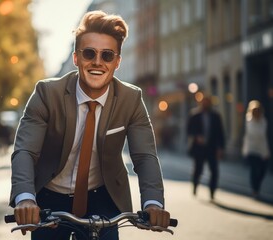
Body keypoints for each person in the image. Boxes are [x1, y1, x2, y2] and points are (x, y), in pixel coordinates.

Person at [9, 10, 170, 240]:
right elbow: (25, 150)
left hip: (102, 197)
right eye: (89, 53)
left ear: (117, 62)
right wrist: (25, 198)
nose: (97, 62)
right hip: (51, 197)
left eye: (107, 55)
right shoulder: (47, 94)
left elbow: (145, 156)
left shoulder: (131, 99)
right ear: (76, 58)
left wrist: (153, 203)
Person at [187, 96, 225, 200]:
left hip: (212, 148)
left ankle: (212, 192)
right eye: (204, 102)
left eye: (208, 102)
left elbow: (220, 133)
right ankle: (195, 186)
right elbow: (189, 130)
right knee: (198, 169)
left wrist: (221, 148)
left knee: (214, 171)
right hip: (199, 148)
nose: (206, 104)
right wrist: (197, 136)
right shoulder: (195, 115)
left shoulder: (216, 116)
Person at [242, 100, 270, 198]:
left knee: (263, 170)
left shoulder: (263, 121)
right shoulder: (248, 121)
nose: (256, 112)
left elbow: (264, 138)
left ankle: (257, 187)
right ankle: (255, 189)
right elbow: (249, 136)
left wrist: (266, 152)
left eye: (258, 110)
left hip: (262, 150)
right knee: (254, 170)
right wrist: (245, 151)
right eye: (254, 110)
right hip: (251, 149)